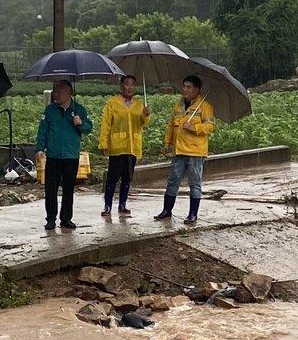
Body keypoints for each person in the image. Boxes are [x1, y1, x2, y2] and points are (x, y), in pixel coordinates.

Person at [153, 75, 214, 224]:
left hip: (195, 152)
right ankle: (167, 210)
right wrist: (167, 142)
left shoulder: (205, 106)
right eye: (184, 86)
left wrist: (193, 127)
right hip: (179, 150)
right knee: (172, 181)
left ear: (196, 90)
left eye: (188, 87)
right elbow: (171, 125)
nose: (185, 90)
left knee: (194, 184)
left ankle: (193, 214)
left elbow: (210, 126)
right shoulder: (178, 105)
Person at [35, 80, 93, 230]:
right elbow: (43, 130)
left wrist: (79, 123)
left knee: (68, 189)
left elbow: (88, 128)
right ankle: (51, 218)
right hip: (53, 156)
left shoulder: (78, 109)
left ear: (68, 93)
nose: (56, 94)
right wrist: (40, 148)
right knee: (50, 188)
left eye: (59, 92)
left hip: (70, 156)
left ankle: (66, 218)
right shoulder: (50, 110)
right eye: (55, 91)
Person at [98, 75, 150, 216]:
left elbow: (143, 124)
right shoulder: (112, 103)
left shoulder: (138, 104)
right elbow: (106, 124)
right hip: (117, 146)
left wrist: (145, 115)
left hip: (132, 146)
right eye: (127, 84)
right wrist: (103, 142)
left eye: (132, 85)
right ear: (121, 86)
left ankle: (122, 204)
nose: (130, 87)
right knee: (113, 176)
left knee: (128, 176)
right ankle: (107, 205)